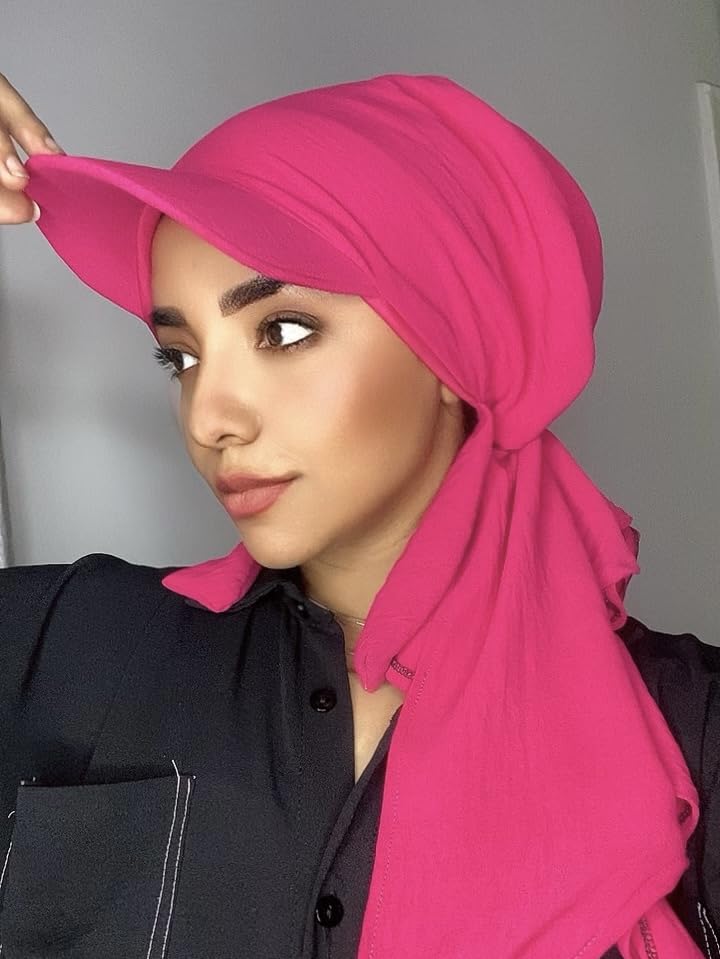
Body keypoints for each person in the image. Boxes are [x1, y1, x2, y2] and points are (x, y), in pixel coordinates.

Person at [0, 69, 717, 959]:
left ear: (453, 346)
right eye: (179, 357)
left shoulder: (690, 726)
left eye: (283, 331)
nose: (209, 417)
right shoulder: (72, 639)